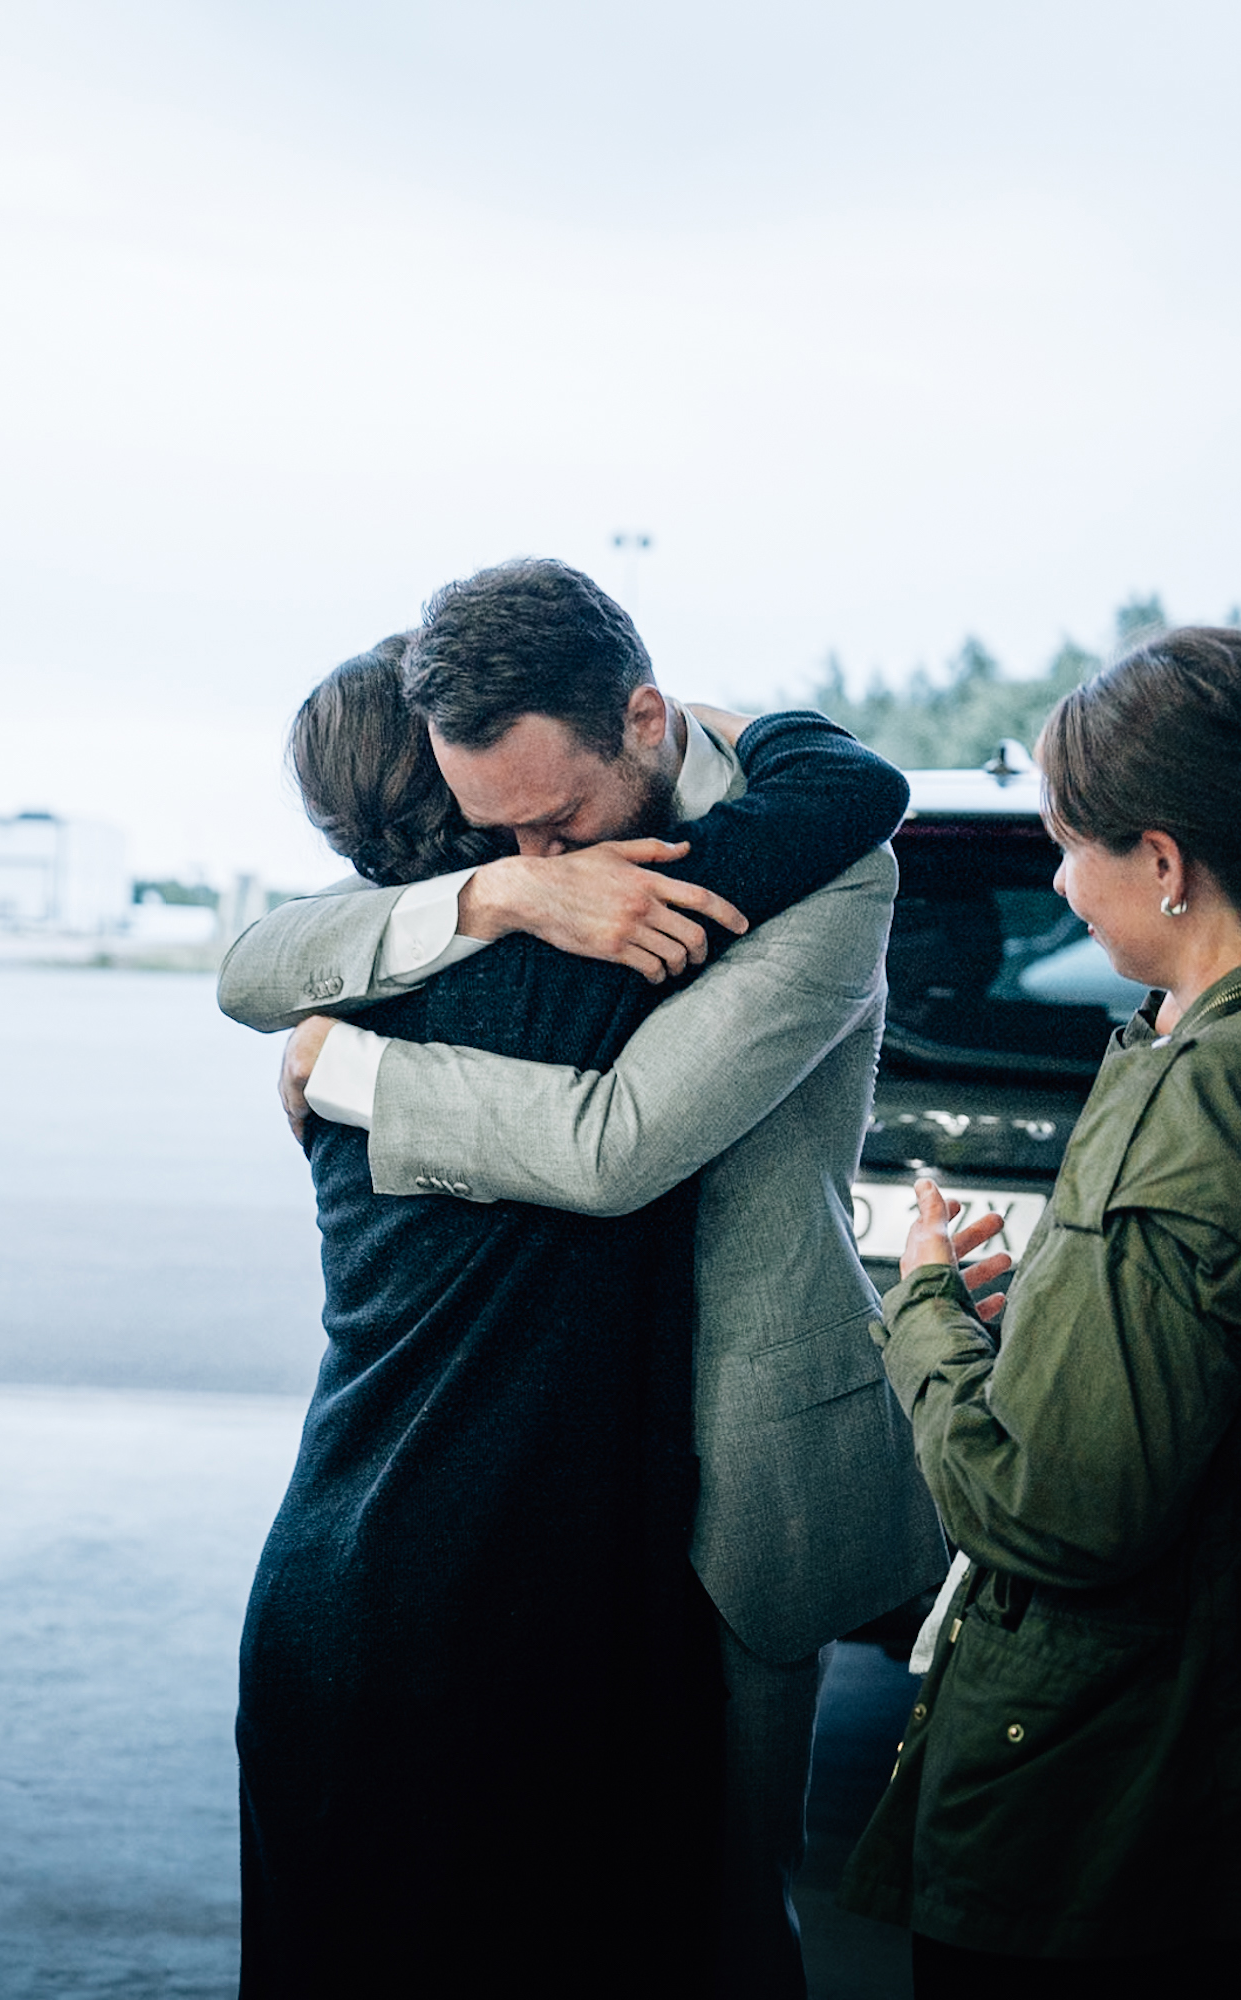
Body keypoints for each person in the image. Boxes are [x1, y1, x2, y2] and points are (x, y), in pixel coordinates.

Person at [224, 559, 948, 1992]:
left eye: (554, 824)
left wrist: (344, 1064)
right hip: (542, 1496)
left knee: (719, 1913)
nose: (540, 859)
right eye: (499, 835)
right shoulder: (500, 902)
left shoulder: (799, 863)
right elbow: (254, 963)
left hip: (729, 1459)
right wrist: (498, 894)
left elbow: (614, 1146)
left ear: (641, 718)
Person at [839, 628, 1241, 1997]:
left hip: (1121, 1831)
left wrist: (929, 1315)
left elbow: (1051, 1510)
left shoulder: (1199, 1102)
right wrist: (1062, 1324)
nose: (1059, 883)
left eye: (1068, 845)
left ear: (1162, 862)